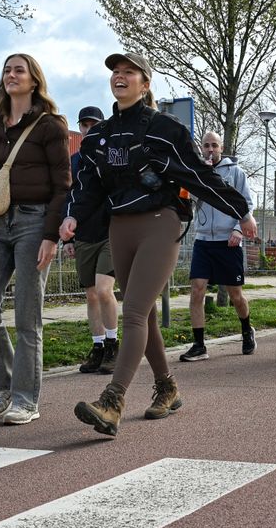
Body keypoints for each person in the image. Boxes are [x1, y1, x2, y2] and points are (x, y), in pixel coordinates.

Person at [63, 52, 256, 437]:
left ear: (145, 83)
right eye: (116, 72)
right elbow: (88, 188)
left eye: (129, 72)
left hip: (160, 223)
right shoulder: (98, 137)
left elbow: (200, 176)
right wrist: (72, 217)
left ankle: (113, 401)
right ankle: (167, 387)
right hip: (120, 227)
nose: (120, 76)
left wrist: (241, 211)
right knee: (146, 313)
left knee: (133, 311)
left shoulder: (163, 129)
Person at [0, 53, 71, 426]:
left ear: (33, 80)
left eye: (19, 70)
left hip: (33, 223)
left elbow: (63, 186)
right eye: (7, 70)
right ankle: (7, 384)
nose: (11, 75)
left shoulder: (51, 126)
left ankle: (26, 399)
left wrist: (50, 236)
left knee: (28, 317)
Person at [180, 131, 256, 362]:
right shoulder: (197, 173)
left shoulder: (235, 172)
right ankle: (199, 344)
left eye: (214, 145)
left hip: (228, 241)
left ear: (221, 148)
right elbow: (187, 200)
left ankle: (246, 330)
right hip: (203, 240)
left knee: (235, 295)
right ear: (201, 148)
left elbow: (247, 204)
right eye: (206, 145)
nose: (210, 149)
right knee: (197, 289)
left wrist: (237, 229)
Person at [62, 105, 121, 375]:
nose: (88, 129)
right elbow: (68, 199)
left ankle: (113, 345)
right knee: (90, 294)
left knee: (103, 289)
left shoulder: (112, 155)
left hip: (111, 233)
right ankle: (97, 347)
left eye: (94, 125)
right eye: (84, 125)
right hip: (83, 234)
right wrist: (67, 240)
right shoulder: (74, 161)